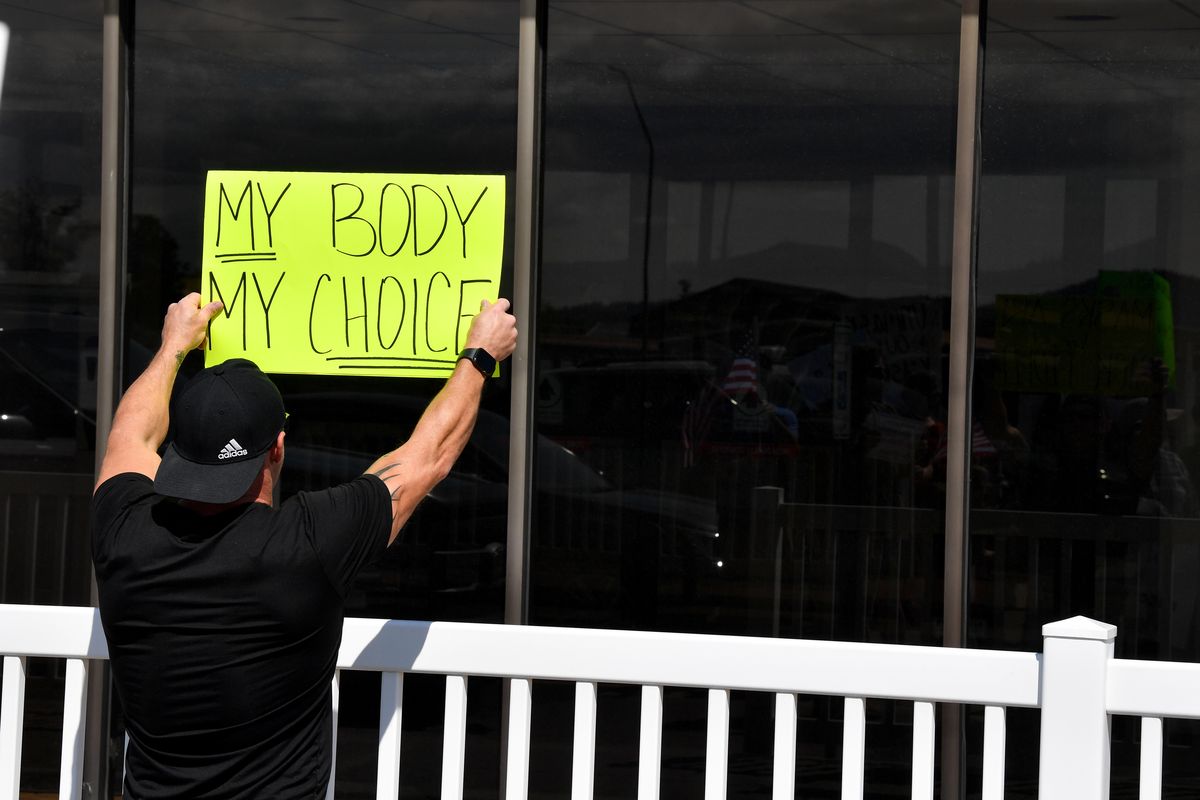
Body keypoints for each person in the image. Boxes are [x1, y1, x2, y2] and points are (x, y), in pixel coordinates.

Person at [90, 291, 518, 799]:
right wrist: (480, 355)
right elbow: (428, 458)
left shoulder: (122, 529)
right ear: (277, 447)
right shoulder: (307, 543)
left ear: (177, 451)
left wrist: (172, 347)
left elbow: (129, 438)